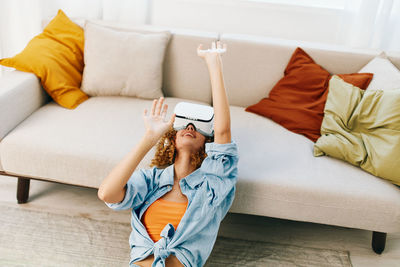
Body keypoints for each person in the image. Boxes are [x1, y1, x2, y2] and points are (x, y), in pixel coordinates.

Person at [98, 41, 239, 267]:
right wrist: (149, 138)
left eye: (198, 127)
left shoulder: (211, 187)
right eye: (184, 125)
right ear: (172, 138)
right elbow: (107, 193)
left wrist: (214, 63)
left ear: (208, 143)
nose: (190, 127)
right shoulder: (151, 181)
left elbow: (223, 131)